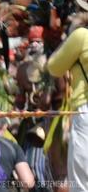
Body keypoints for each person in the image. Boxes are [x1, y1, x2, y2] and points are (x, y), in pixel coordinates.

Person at [47, 12, 88, 192]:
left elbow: (54, 67)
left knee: (82, 181)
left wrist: (70, 35)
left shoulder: (81, 36)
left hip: (85, 112)